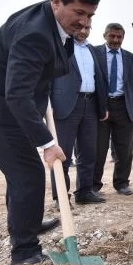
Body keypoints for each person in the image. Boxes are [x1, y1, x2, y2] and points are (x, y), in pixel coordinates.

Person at [0, 0, 99, 265]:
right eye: (79, 12)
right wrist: (48, 143)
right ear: (56, 2)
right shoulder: (35, 34)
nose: (84, 21)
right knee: (27, 172)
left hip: (11, 103)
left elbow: (37, 76)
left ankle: (25, 220)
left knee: (21, 172)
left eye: (90, 16)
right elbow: (16, 94)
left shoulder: (54, 22)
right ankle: (24, 251)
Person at [49, 23, 108, 206]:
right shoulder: (58, 46)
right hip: (64, 106)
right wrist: (48, 104)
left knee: (88, 152)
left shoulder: (93, 50)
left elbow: (100, 78)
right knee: (62, 153)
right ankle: (61, 197)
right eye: (79, 28)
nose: (83, 31)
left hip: (90, 104)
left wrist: (102, 106)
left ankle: (84, 192)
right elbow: (48, 75)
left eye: (88, 28)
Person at [93, 23, 133, 196]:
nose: (115, 40)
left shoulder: (132, 59)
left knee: (124, 149)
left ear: (123, 37)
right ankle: (94, 185)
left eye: (119, 37)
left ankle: (122, 183)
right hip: (101, 106)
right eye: (112, 36)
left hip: (124, 107)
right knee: (98, 148)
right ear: (105, 35)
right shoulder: (94, 53)